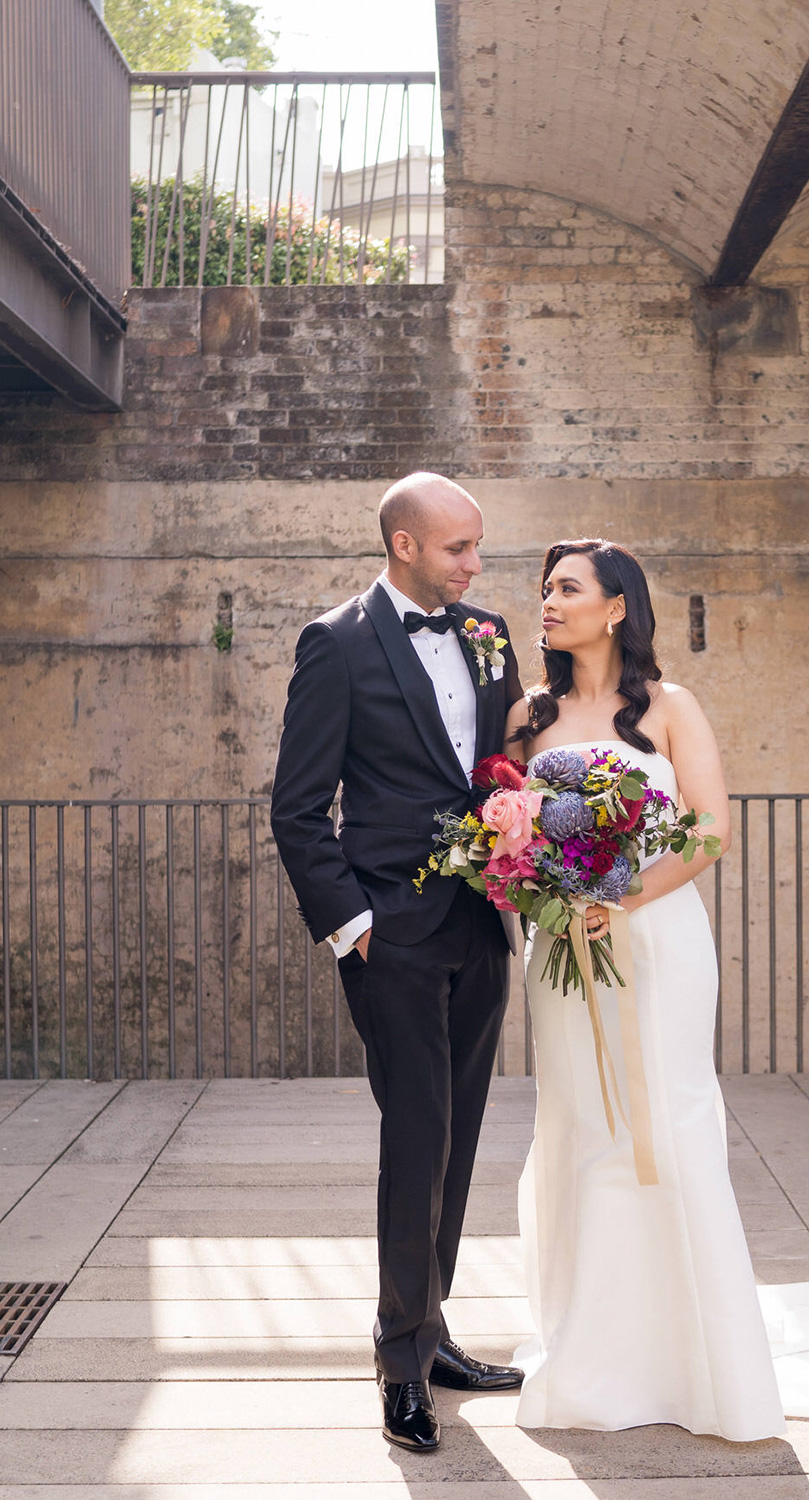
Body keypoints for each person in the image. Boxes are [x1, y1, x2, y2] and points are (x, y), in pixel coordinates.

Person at [504, 537, 809, 1438]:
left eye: (567, 588)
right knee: (580, 1121)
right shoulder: (525, 717)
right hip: (560, 947)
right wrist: (542, 887)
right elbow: (505, 827)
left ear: (616, 607)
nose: (548, 601)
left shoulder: (673, 708)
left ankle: (700, 1360)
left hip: (657, 943)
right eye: (545, 588)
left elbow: (709, 833)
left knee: (669, 1121)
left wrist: (617, 891)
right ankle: (593, 1349)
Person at [270, 474, 525, 1453]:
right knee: (414, 1138)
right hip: (394, 940)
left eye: (477, 547)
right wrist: (354, 925)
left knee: (457, 1139)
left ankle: (435, 1332)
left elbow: (501, 762)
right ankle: (399, 1364)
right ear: (407, 546)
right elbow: (298, 808)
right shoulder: (334, 643)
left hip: (478, 921)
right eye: (459, 548)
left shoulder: (489, 632)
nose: (474, 564)